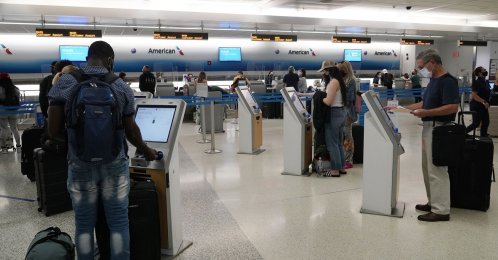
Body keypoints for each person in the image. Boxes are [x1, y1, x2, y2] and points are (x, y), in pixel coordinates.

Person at [47, 40, 157, 259]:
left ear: (88, 58)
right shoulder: (120, 86)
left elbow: (52, 128)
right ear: (110, 60)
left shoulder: (67, 81)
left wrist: (73, 142)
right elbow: (130, 129)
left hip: (80, 165)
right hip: (114, 164)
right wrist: (145, 149)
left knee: (84, 224)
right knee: (117, 222)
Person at [403, 49, 459, 222]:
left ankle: (441, 210)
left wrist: (426, 112)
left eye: (422, 66)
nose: (421, 70)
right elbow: (424, 103)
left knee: (437, 169)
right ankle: (433, 201)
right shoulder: (433, 81)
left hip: (439, 129)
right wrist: (402, 108)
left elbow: (452, 107)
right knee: (427, 168)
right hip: (428, 128)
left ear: (433, 62)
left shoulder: (448, 81)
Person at [319, 62, 348, 177]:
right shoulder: (339, 81)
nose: (323, 74)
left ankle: (335, 169)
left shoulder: (333, 82)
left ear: (328, 71)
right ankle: (341, 167)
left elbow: (328, 101)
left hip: (333, 114)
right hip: (341, 112)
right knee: (338, 143)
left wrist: (319, 98)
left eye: (324, 71)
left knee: (332, 143)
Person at [337, 61, 357, 169]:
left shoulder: (351, 81)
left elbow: (350, 99)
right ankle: (343, 157)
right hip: (341, 111)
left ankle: (349, 160)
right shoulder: (342, 80)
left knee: (348, 136)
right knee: (342, 136)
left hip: (347, 113)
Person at [466, 66, 491, 137]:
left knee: (486, 122)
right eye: (484, 70)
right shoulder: (477, 82)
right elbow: (474, 95)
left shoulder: (485, 82)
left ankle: (483, 137)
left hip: (483, 106)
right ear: (480, 73)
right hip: (476, 106)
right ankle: (462, 134)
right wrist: (484, 102)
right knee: (476, 123)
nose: (485, 71)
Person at [0, 72, 21, 153]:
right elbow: (17, 98)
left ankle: (4, 148)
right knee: (14, 128)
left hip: (2, 110)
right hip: (13, 110)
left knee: (3, 129)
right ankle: (19, 147)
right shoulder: (15, 88)